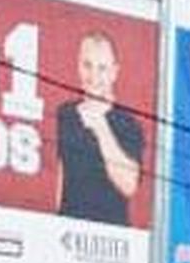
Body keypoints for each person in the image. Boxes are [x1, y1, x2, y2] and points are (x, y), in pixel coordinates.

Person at [56, 29, 144, 226]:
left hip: (111, 240)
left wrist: (100, 125)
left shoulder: (128, 124)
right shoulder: (66, 114)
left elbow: (128, 185)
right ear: (78, 66)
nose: (93, 75)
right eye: (87, 65)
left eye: (102, 68)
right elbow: (61, 175)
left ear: (114, 72)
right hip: (67, 231)